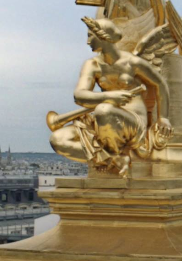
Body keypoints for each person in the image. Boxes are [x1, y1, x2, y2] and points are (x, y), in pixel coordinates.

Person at [49, 17, 173, 177]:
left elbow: (160, 84)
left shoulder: (132, 62)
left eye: (90, 36)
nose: (88, 42)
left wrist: (164, 118)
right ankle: (114, 159)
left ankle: (112, 156)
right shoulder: (92, 65)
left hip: (132, 121)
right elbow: (79, 95)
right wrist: (110, 96)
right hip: (103, 120)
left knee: (103, 110)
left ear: (103, 37)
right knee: (57, 139)